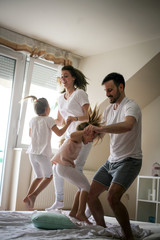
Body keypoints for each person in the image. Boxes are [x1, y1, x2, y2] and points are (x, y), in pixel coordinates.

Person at [85, 72, 142, 240]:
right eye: (106, 91)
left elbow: (128, 125)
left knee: (112, 198)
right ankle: (104, 230)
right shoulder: (109, 109)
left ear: (121, 87)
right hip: (111, 161)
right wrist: (90, 134)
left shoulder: (131, 105)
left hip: (130, 160)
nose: (107, 93)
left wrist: (100, 129)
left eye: (110, 90)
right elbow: (102, 133)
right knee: (90, 195)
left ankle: (129, 237)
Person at [46, 65, 92, 211]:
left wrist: (76, 117)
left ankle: (88, 204)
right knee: (56, 166)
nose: (63, 79)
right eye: (62, 76)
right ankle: (59, 200)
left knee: (77, 168)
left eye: (66, 76)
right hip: (69, 138)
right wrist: (44, 120)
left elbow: (89, 115)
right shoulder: (60, 98)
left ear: (73, 78)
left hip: (82, 135)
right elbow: (60, 120)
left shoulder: (80, 93)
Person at [51, 106, 102, 224]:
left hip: (64, 167)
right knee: (86, 187)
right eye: (91, 137)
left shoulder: (80, 142)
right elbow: (73, 135)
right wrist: (85, 131)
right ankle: (81, 213)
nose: (91, 140)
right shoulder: (76, 138)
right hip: (63, 167)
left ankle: (74, 212)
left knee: (81, 187)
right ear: (85, 133)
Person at [23, 96, 71, 210]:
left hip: (32, 153)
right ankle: (33, 195)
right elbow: (59, 133)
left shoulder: (32, 120)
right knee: (49, 177)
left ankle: (27, 196)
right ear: (47, 109)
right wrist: (68, 124)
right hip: (42, 154)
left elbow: (30, 135)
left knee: (39, 177)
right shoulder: (49, 120)